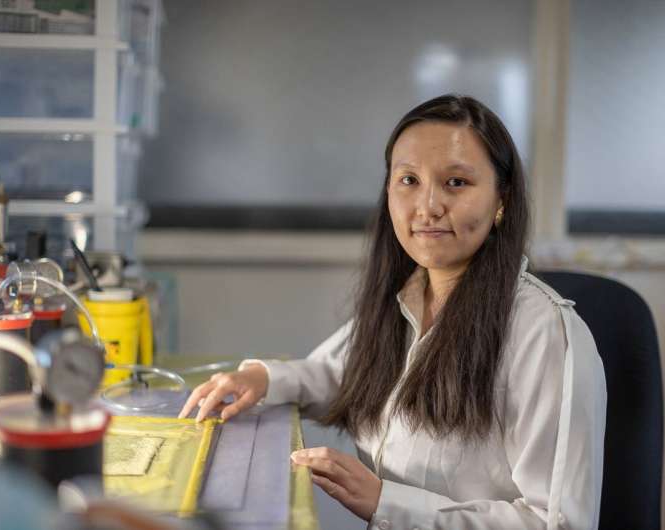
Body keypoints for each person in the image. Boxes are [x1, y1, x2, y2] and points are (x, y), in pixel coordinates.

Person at [179, 94, 607, 530]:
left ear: (502, 199)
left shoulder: (545, 334)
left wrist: (388, 502)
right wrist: (263, 378)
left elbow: (558, 524)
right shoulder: (406, 296)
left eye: (456, 183)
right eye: (409, 180)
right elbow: (338, 374)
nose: (427, 207)